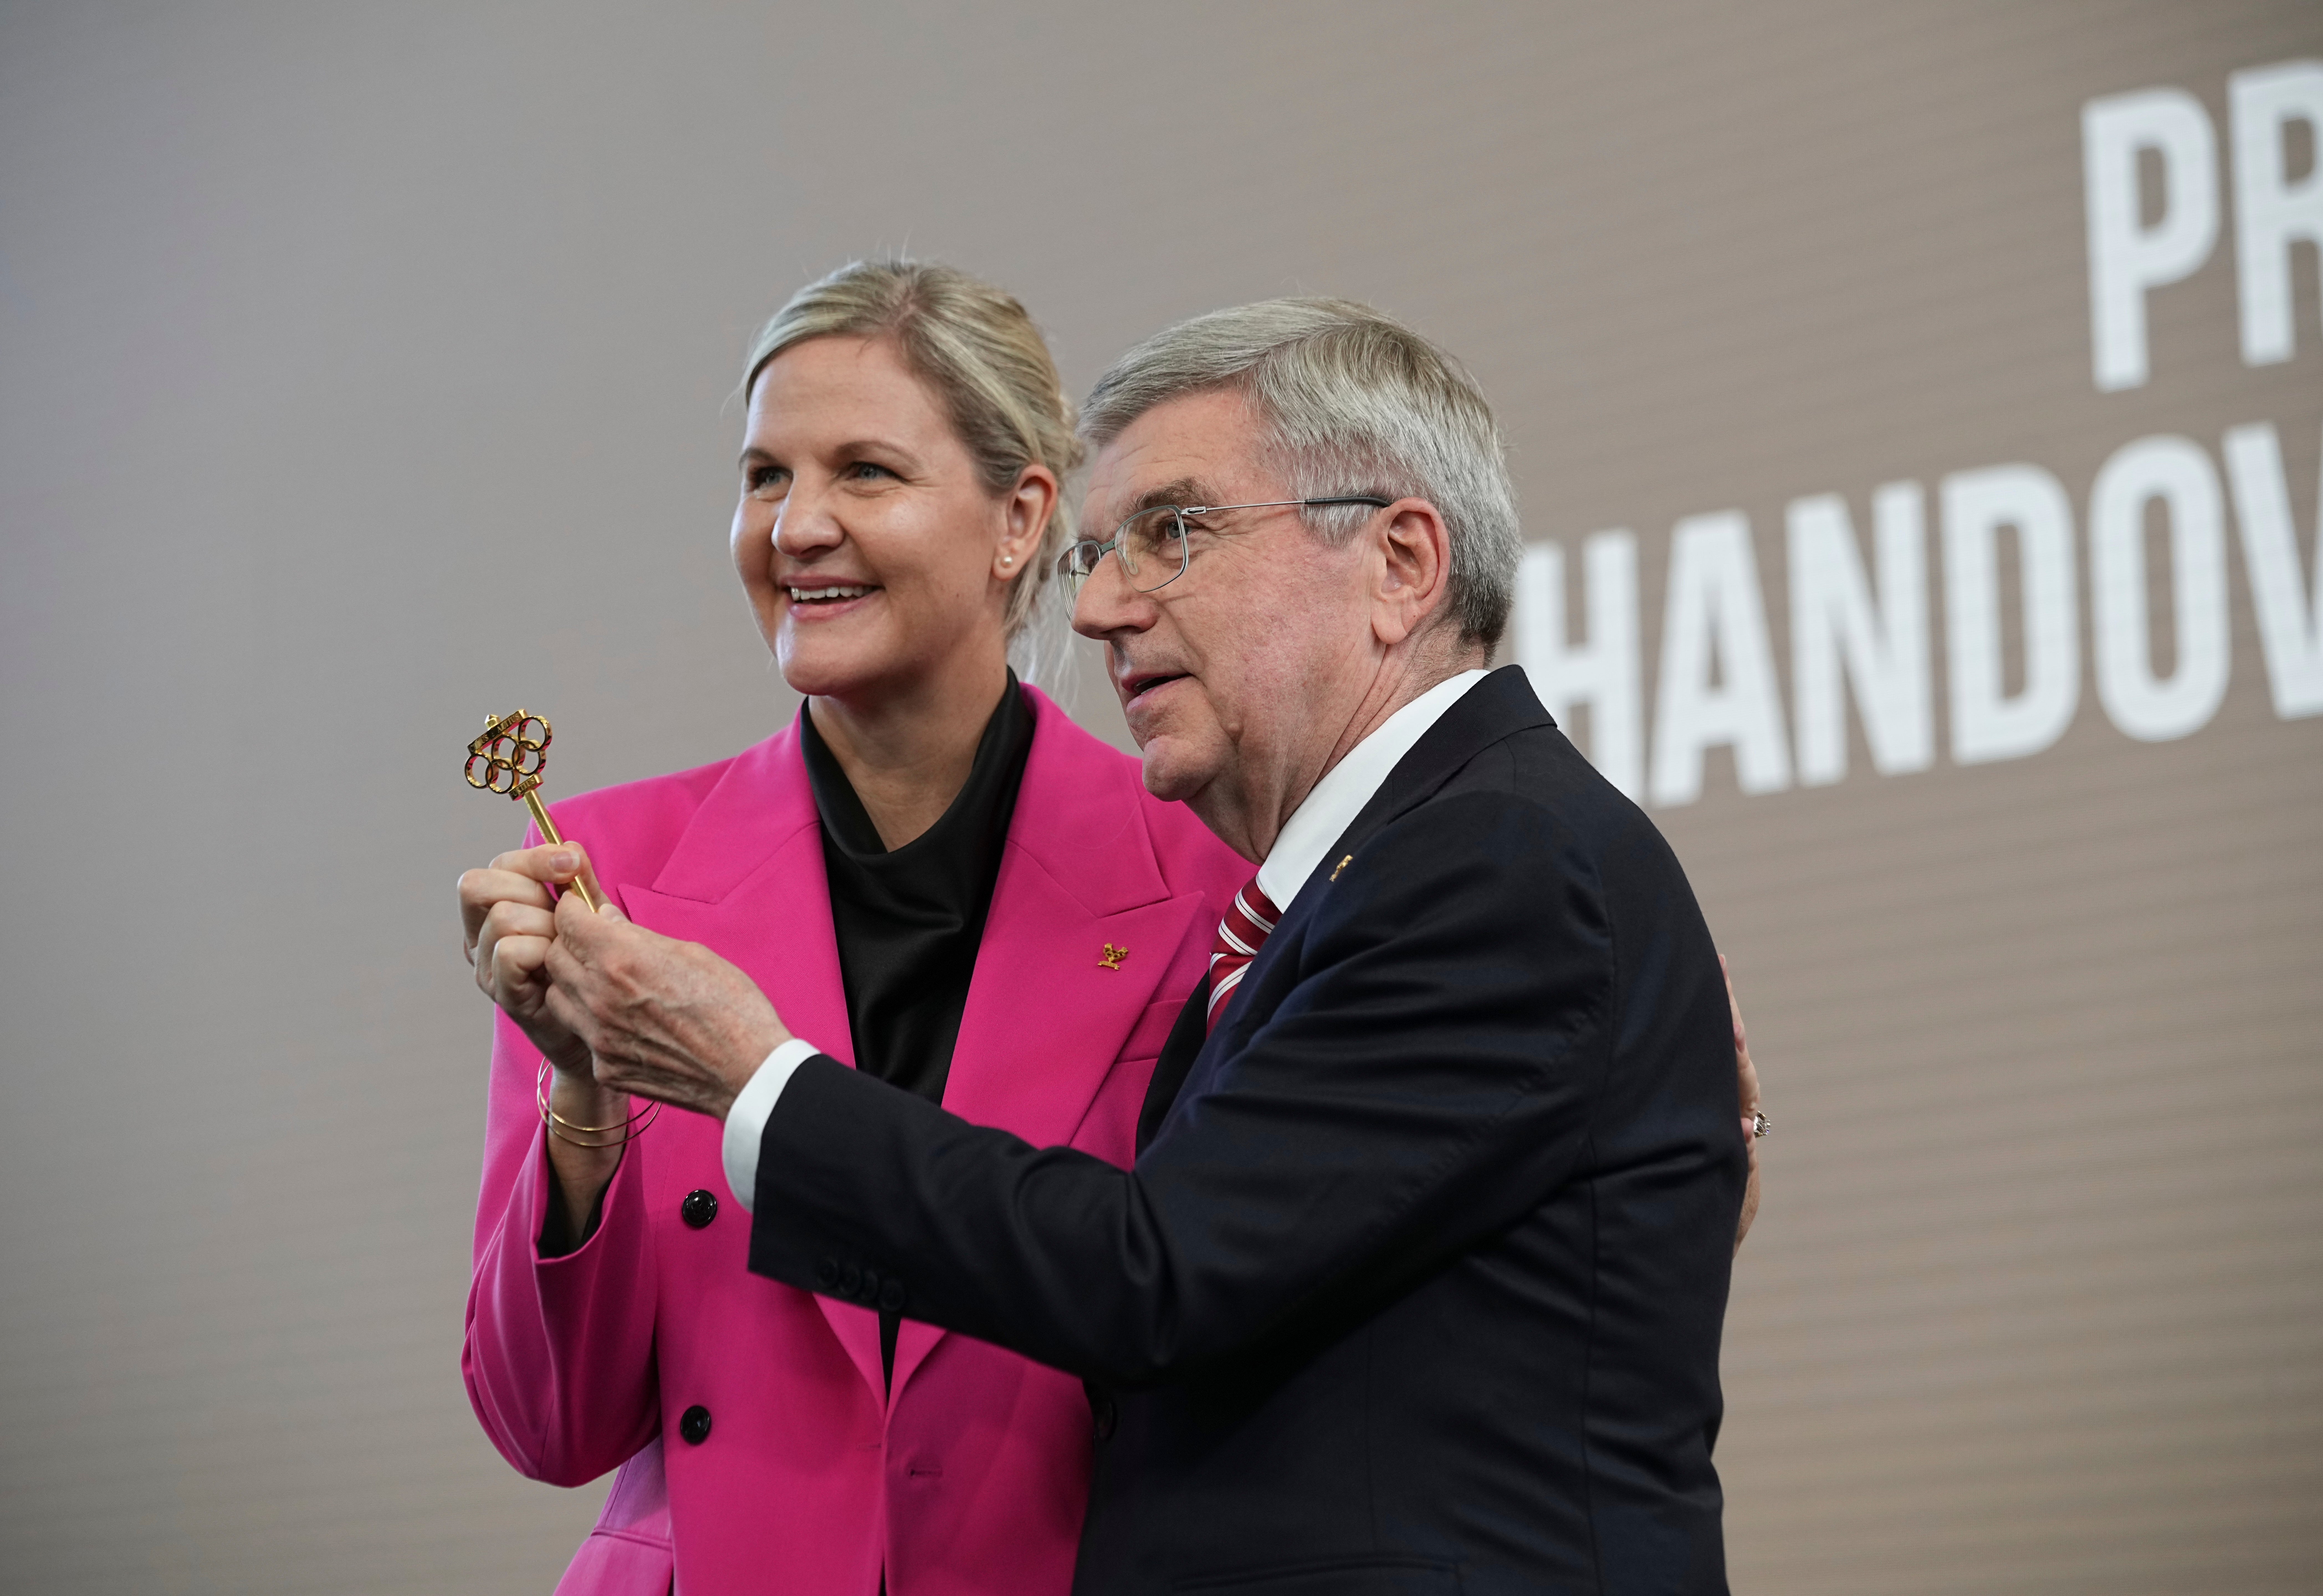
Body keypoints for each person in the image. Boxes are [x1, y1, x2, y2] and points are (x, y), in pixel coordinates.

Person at [535, 298, 1754, 1594]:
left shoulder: (1501, 865)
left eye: (1170, 534)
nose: (1105, 607)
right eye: (1100, 553)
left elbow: (1154, 1271)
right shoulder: (1395, 876)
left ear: (1401, 563)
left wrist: (749, 1075)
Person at [458, 260, 1254, 1595]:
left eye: (865, 473)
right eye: (765, 476)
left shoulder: (1200, 876)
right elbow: (550, 1428)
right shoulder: (604, 875)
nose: (797, 525)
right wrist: (584, 1090)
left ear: (1020, 519)